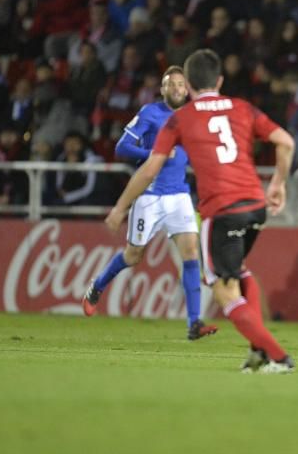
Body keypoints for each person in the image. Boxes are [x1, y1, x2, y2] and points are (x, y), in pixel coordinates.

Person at [105, 49, 296, 374]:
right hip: (255, 206)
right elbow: (286, 141)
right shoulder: (242, 107)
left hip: (222, 210)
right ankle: (258, 354)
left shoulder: (181, 117)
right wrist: (278, 183)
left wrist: (121, 206)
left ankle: (278, 357)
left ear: (189, 84)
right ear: (219, 80)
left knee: (223, 292)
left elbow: (150, 170)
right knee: (238, 273)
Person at [84, 66, 217, 341]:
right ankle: (97, 286)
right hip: (150, 195)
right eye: (173, 84)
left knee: (191, 254)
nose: (179, 89)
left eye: (183, 84)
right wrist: (152, 153)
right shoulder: (150, 113)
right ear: (163, 89)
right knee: (133, 256)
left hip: (179, 195)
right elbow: (121, 146)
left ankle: (194, 322)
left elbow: (192, 156)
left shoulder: (194, 117)